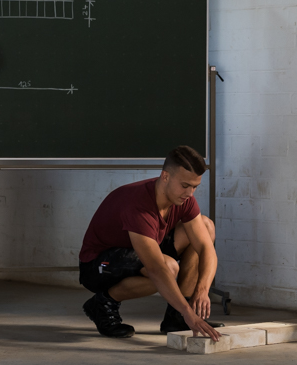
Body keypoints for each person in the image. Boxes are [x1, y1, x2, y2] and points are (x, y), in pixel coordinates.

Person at [79, 145, 222, 340]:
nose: (190, 193)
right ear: (165, 177)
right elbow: (157, 269)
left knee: (205, 226)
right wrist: (191, 315)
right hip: (99, 265)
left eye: (195, 186)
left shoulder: (184, 199)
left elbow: (206, 248)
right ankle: (103, 304)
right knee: (169, 269)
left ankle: (176, 318)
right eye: (185, 185)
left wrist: (202, 290)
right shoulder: (138, 205)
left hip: (143, 248)